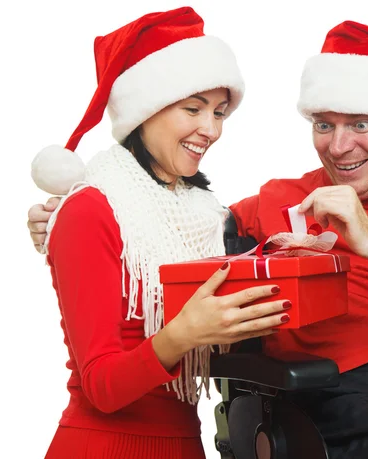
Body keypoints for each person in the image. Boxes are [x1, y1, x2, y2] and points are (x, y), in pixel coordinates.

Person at [29, 20, 368, 459]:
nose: (339, 146)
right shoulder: (280, 200)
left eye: (361, 124)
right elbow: (165, 227)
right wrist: (62, 218)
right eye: (324, 125)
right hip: (340, 396)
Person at [28, 7, 291, 459]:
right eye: (193, 109)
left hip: (186, 443)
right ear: (144, 112)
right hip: (104, 446)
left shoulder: (209, 218)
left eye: (220, 112)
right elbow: (101, 388)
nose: (210, 130)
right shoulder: (89, 210)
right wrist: (185, 333)